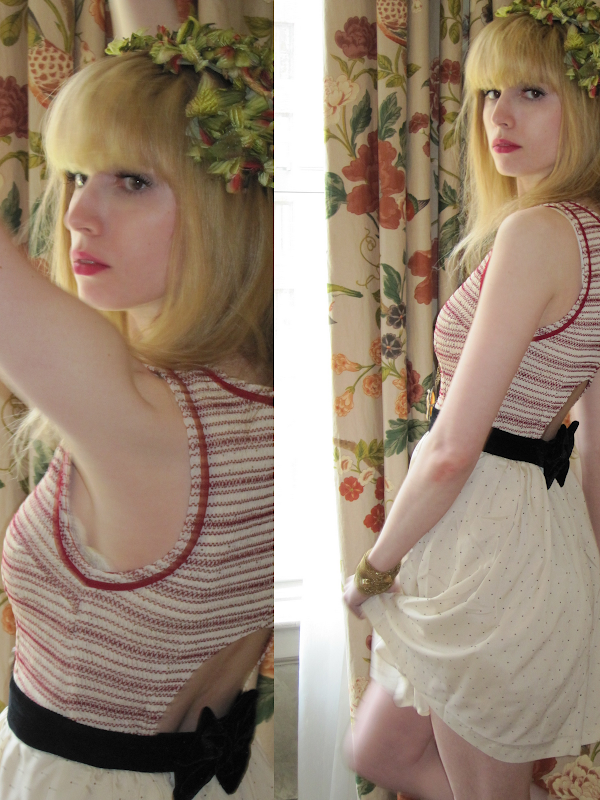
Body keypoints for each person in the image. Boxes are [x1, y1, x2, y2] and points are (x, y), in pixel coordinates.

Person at [0, 4, 274, 799]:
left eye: (131, 181)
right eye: (77, 175)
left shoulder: (148, 420)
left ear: (226, 203)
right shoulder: (260, 402)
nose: (76, 215)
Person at [344, 2, 600, 799]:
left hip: (487, 547)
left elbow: (453, 448)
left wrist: (374, 571)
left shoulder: (541, 234)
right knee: (379, 751)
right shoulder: (587, 234)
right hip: (530, 539)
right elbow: (594, 441)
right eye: (490, 92)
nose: (499, 115)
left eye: (532, 92)